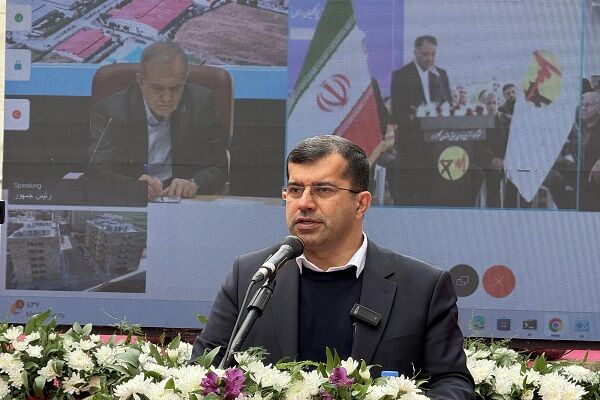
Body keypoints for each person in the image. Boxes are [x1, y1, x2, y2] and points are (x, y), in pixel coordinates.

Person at [191, 135, 474, 400]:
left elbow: (452, 383)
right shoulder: (251, 275)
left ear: (360, 203)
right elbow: (206, 370)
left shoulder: (422, 286)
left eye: (323, 190)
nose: (304, 203)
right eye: (295, 189)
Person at [87, 42, 228, 200]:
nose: (167, 98)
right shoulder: (111, 112)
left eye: (175, 88)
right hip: (133, 199)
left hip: (181, 200)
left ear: (185, 80)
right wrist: (129, 185)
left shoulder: (201, 104)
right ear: (141, 81)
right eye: (158, 88)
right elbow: (95, 167)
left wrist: (195, 183)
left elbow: (219, 167)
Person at [389, 35, 452, 205]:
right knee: (406, 196)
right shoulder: (401, 75)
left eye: (433, 54)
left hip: (436, 145)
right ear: (415, 52)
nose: (429, 58)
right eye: (425, 54)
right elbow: (397, 114)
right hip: (410, 145)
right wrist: (419, 118)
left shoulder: (440, 75)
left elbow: (449, 105)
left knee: (430, 195)